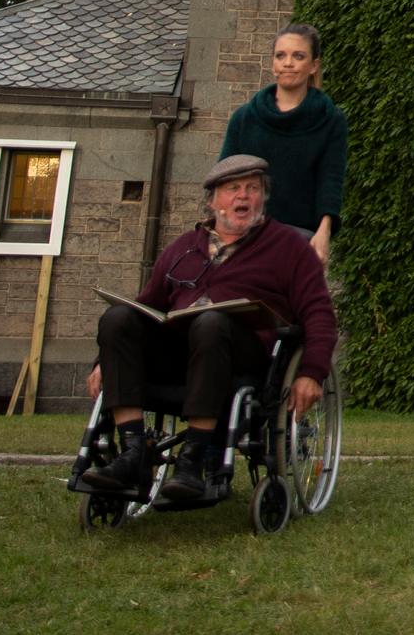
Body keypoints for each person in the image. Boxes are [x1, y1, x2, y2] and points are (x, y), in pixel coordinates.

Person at [76, 153, 336, 507]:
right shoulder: (183, 248)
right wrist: (103, 360)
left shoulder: (289, 248)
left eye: (252, 189)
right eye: (233, 189)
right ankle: (133, 453)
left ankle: (193, 458)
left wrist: (312, 372)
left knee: (211, 321)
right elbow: (147, 305)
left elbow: (319, 312)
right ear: (213, 201)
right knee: (119, 317)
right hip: (178, 354)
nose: (243, 197)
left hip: (242, 356)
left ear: (263, 197)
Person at [220, 24, 348, 264]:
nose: (288, 63)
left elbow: (330, 180)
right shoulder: (244, 118)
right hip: (245, 238)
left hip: (300, 241)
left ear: (313, 66)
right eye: (281, 55)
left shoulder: (331, 121)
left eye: (298, 56)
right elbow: (224, 180)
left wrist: (324, 232)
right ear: (273, 64)